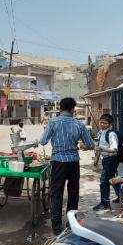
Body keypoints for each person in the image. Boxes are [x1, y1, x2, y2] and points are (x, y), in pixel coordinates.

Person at [39, 97, 95, 235]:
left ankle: (56, 227)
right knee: (73, 193)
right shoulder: (79, 124)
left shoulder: (53, 122)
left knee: (56, 193)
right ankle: (71, 224)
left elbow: (42, 141)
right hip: (73, 162)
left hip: (58, 162)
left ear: (60, 108)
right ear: (72, 109)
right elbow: (91, 145)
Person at [92, 114, 119, 211]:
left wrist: (103, 149)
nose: (102, 125)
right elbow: (98, 146)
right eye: (101, 122)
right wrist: (97, 157)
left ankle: (105, 203)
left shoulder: (111, 134)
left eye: (105, 123)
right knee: (112, 178)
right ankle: (121, 196)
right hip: (105, 158)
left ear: (110, 124)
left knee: (104, 181)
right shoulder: (100, 133)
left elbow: (114, 149)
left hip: (111, 159)